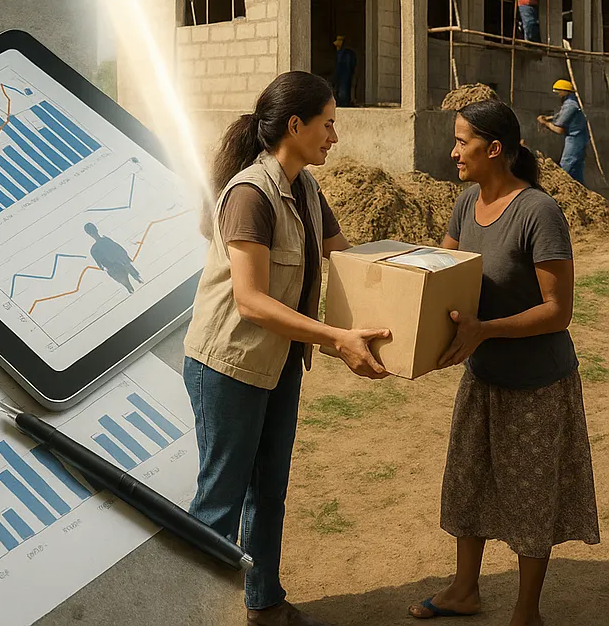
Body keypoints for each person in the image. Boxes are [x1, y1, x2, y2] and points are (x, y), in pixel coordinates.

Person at [184, 71, 391, 626]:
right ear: (295, 126)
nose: (335, 137)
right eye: (328, 125)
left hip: (278, 362)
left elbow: (348, 258)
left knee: (269, 487)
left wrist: (421, 275)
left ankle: (264, 600)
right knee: (221, 499)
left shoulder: (306, 188)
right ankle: (195, 612)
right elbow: (251, 302)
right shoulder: (250, 194)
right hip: (228, 363)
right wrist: (336, 339)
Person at [409, 99, 599, 624]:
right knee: (467, 484)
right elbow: (442, 271)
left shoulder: (538, 212)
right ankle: (464, 591)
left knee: (530, 497)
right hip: (483, 375)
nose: (453, 152)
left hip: (537, 383)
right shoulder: (465, 204)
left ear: (495, 149)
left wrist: (482, 331)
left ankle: (526, 611)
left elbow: (558, 312)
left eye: (461, 142)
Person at [537, 79, 589, 185]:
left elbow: (559, 128)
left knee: (567, 165)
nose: (558, 94)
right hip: (579, 137)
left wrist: (545, 123)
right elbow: (561, 115)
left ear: (565, 91)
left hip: (575, 138)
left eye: (559, 91)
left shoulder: (570, 106)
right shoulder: (571, 102)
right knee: (576, 170)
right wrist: (549, 118)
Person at [83, 221, 142, 294]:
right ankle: (132, 284)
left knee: (131, 283)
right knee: (130, 283)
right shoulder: (99, 246)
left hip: (119, 267)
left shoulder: (96, 248)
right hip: (117, 268)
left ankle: (132, 284)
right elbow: (119, 250)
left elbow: (119, 250)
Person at [331, 35, 356, 107]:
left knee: (343, 90)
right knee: (339, 89)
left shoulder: (347, 54)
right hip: (339, 74)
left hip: (344, 75)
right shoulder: (338, 52)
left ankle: (344, 103)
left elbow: (348, 67)